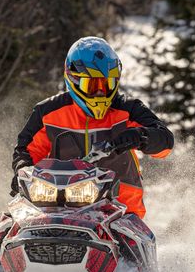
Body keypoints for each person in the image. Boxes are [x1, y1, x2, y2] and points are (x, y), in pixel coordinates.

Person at [11, 36, 173, 218]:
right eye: (92, 85)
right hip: (57, 208)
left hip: (121, 209)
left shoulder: (129, 109)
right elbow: (25, 151)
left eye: (107, 84)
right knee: (9, 225)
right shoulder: (48, 112)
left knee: (131, 243)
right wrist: (22, 171)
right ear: (73, 80)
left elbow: (166, 143)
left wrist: (141, 136)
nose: (100, 93)